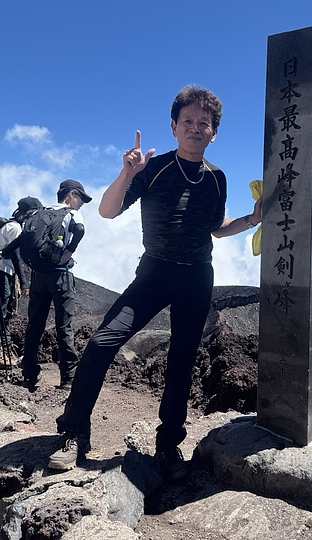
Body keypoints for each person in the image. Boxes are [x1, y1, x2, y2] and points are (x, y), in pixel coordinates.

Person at [48, 85, 262, 481]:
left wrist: (251, 219)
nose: (196, 128)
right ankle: (74, 432)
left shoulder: (217, 179)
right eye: (188, 122)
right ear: (174, 127)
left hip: (197, 276)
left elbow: (215, 228)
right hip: (154, 273)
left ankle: (169, 445)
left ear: (214, 132)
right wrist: (127, 172)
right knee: (100, 343)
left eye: (204, 123)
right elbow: (109, 211)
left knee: (181, 362)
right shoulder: (155, 168)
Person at [21, 180, 92, 390]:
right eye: (80, 198)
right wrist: (69, 252)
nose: (81, 203)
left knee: (34, 326)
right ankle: (68, 378)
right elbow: (79, 229)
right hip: (61, 276)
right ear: (70, 194)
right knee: (64, 326)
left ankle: (29, 375)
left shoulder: (41, 213)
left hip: (38, 276)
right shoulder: (71, 213)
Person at [0, 196, 42, 367]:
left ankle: (4, 349)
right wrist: (23, 282)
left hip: (3, 273)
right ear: (27, 213)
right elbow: (14, 256)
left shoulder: (15, 226)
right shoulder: (14, 228)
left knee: (4, 312)